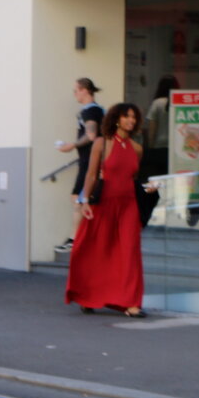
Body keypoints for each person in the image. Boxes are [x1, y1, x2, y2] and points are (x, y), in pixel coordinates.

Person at [65, 102, 150, 317]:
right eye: (126, 116)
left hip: (128, 204)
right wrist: (85, 202)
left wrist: (149, 190)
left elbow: (133, 178)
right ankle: (88, 295)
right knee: (95, 250)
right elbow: (91, 174)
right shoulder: (102, 144)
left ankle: (131, 303)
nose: (130, 120)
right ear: (116, 118)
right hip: (103, 203)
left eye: (133, 117)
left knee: (130, 251)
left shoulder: (137, 148)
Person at [55, 78, 104, 252]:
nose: (75, 94)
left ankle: (76, 239)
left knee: (80, 200)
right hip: (89, 161)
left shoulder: (90, 111)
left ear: (84, 90)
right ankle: (78, 238)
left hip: (90, 162)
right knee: (78, 198)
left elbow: (91, 135)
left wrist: (72, 145)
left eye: (76, 90)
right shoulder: (95, 110)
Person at [142, 75, 179, 179]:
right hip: (175, 146)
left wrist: (150, 145)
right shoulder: (177, 102)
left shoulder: (157, 103)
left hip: (159, 146)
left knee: (159, 177)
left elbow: (152, 129)